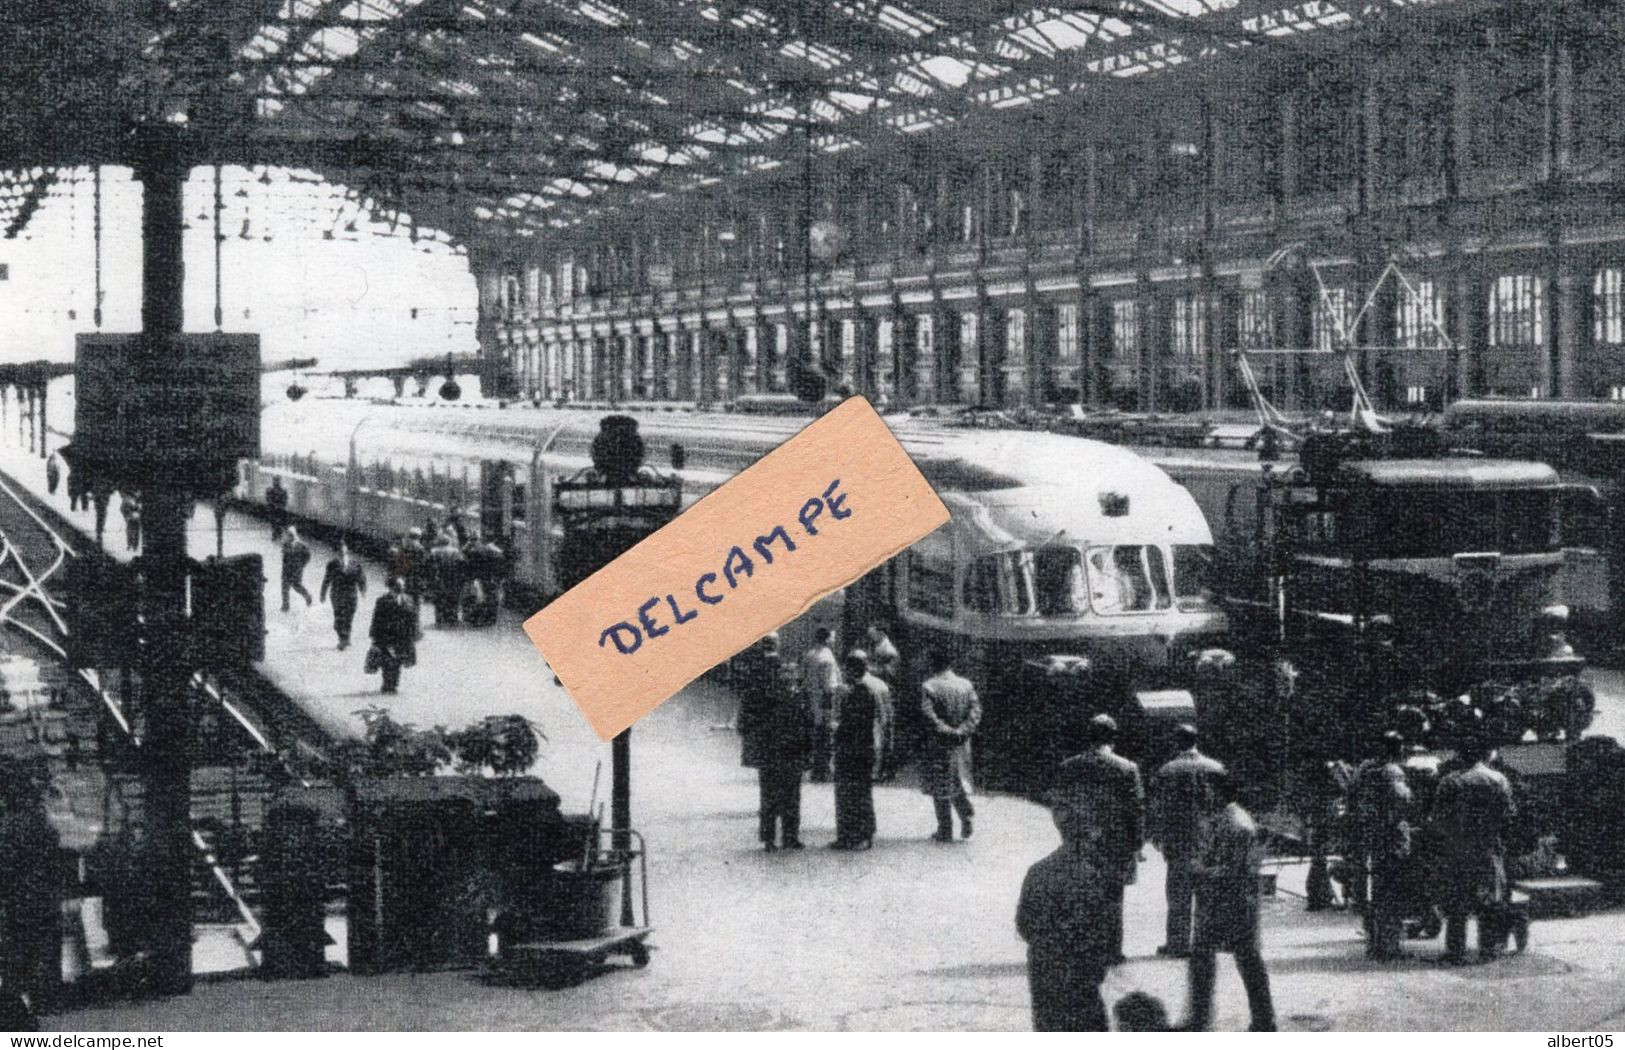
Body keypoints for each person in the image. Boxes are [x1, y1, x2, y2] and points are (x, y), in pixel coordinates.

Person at [1182, 778, 1275, 1032]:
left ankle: (1200, 1019)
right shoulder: (1231, 817)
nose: (1205, 795)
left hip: (1229, 900)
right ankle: (1263, 1020)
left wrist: (1200, 869)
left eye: (1208, 790)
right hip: (1235, 899)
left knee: (1230, 958)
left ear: (1219, 793)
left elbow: (1230, 868)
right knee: (1243, 960)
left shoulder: (1233, 824)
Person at [1016, 801, 1115, 1031]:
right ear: (1087, 837)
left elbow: (1024, 924)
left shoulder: (1038, 871)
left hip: (1045, 968)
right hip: (1081, 971)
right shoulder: (1093, 876)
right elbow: (1103, 928)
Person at [1053, 714, 1144, 965]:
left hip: (1080, 842)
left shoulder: (1070, 766)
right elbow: (1135, 810)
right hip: (1116, 844)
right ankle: (1112, 950)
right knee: (1113, 898)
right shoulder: (1127, 768)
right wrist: (1137, 844)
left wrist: (1068, 834)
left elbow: (1059, 806)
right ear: (1113, 738)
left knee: (1081, 894)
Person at [1431, 736, 1517, 964]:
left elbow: (1439, 819)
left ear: (1460, 755)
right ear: (1483, 754)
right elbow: (1509, 815)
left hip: (1458, 848)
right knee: (1488, 901)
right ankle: (1487, 949)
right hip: (1488, 847)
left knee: (1457, 903)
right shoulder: (1498, 779)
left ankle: (1455, 951)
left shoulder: (1450, 781)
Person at [1150, 723, 1227, 958]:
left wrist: (1157, 834)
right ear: (1196, 740)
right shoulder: (1216, 768)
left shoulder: (1167, 770)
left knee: (1178, 895)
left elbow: (1158, 807)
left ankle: (1178, 943)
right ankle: (1208, 941)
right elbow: (1225, 805)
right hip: (1210, 839)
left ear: (1177, 742)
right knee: (1207, 893)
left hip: (1179, 840)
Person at [737, 634, 810, 852]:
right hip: (789, 750)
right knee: (791, 795)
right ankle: (790, 836)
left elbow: (746, 719)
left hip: (769, 751)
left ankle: (769, 838)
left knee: (769, 795)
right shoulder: (794, 694)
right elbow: (804, 723)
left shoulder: (754, 684)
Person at [1353, 731, 1414, 959]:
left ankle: (1375, 942)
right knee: (1393, 892)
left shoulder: (1367, 771)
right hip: (1392, 838)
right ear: (1398, 749)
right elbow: (1404, 800)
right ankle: (1390, 946)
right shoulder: (1393, 771)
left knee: (1376, 892)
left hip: (1372, 837)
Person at [920, 650, 981, 842]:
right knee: (957, 780)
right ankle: (966, 813)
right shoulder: (966, 685)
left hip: (940, 743)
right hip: (962, 743)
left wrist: (946, 730)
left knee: (940, 785)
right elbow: (975, 711)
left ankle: (945, 828)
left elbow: (928, 715)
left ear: (933, 664)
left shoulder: (930, 686)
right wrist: (963, 730)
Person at [831, 651, 889, 850]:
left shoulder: (859, 690)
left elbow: (851, 723)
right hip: (871, 747)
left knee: (849, 793)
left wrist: (836, 731)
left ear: (852, 668)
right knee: (862, 792)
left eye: (846, 668)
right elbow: (887, 719)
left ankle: (853, 835)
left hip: (853, 749)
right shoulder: (880, 685)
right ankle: (859, 834)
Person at [800, 627, 842, 783]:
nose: (834, 640)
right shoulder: (827, 658)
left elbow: (803, 678)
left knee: (815, 734)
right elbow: (827, 684)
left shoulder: (809, 654)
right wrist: (832, 706)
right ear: (827, 639)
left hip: (812, 700)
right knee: (826, 735)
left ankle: (815, 767)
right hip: (825, 701)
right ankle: (823, 769)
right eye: (832, 637)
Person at [367, 576, 419, 695]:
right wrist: (375, 637)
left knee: (398, 660)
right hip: (387, 636)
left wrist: (415, 633)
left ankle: (394, 684)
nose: (400, 588)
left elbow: (413, 618)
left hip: (403, 636)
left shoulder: (408, 600)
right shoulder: (382, 601)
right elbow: (376, 619)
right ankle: (387, 684)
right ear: (391, 588)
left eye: (402, 586)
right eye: (397, 586)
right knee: (388, 660)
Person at [319, 540, 368, 650]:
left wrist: (363, 590)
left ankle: (345, 640)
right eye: (340, 551)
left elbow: (361, 579)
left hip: (351, 596)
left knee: (349, 618)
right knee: (338, 621)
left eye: (344, 551)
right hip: (337, 595)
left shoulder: (355, 564)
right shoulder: (332, 564)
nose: (342, 553)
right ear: (337, 553)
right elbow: (327, 579)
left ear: (347, 552)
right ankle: (343, 638)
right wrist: (323, 593)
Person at [427, 535, 466, 625]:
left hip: (439, 578)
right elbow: (461, 564)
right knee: (452, 598)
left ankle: (439, 618)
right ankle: (452, 617)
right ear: (449, 541)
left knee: (439, 598)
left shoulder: (433, 551)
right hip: (453, 578)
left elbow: (428, 566)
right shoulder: (455, 551)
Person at [279, 526, 314, 612]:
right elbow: (284, 557)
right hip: (287, 569)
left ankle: (308, 596)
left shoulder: (302, 545)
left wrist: (302, 565)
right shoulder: (285, 544)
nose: (286, 537)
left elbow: (308, 556)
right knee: (284, 588)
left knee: (297, 586)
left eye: (288, 535)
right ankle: (285, 605)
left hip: (296, 570)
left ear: (292, 535)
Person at [265, 476, 290, 541]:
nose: (276, 482)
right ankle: (276, 534)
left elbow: (285, 500)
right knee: (274, 523)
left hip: (279, 510)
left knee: (278, 523)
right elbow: (268, 499)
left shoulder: (282, 490)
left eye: (277, 481)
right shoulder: (270, 490)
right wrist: (273, 506)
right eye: (275, 481)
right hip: (273, 510)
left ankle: (277, 534)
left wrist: (280, 506)